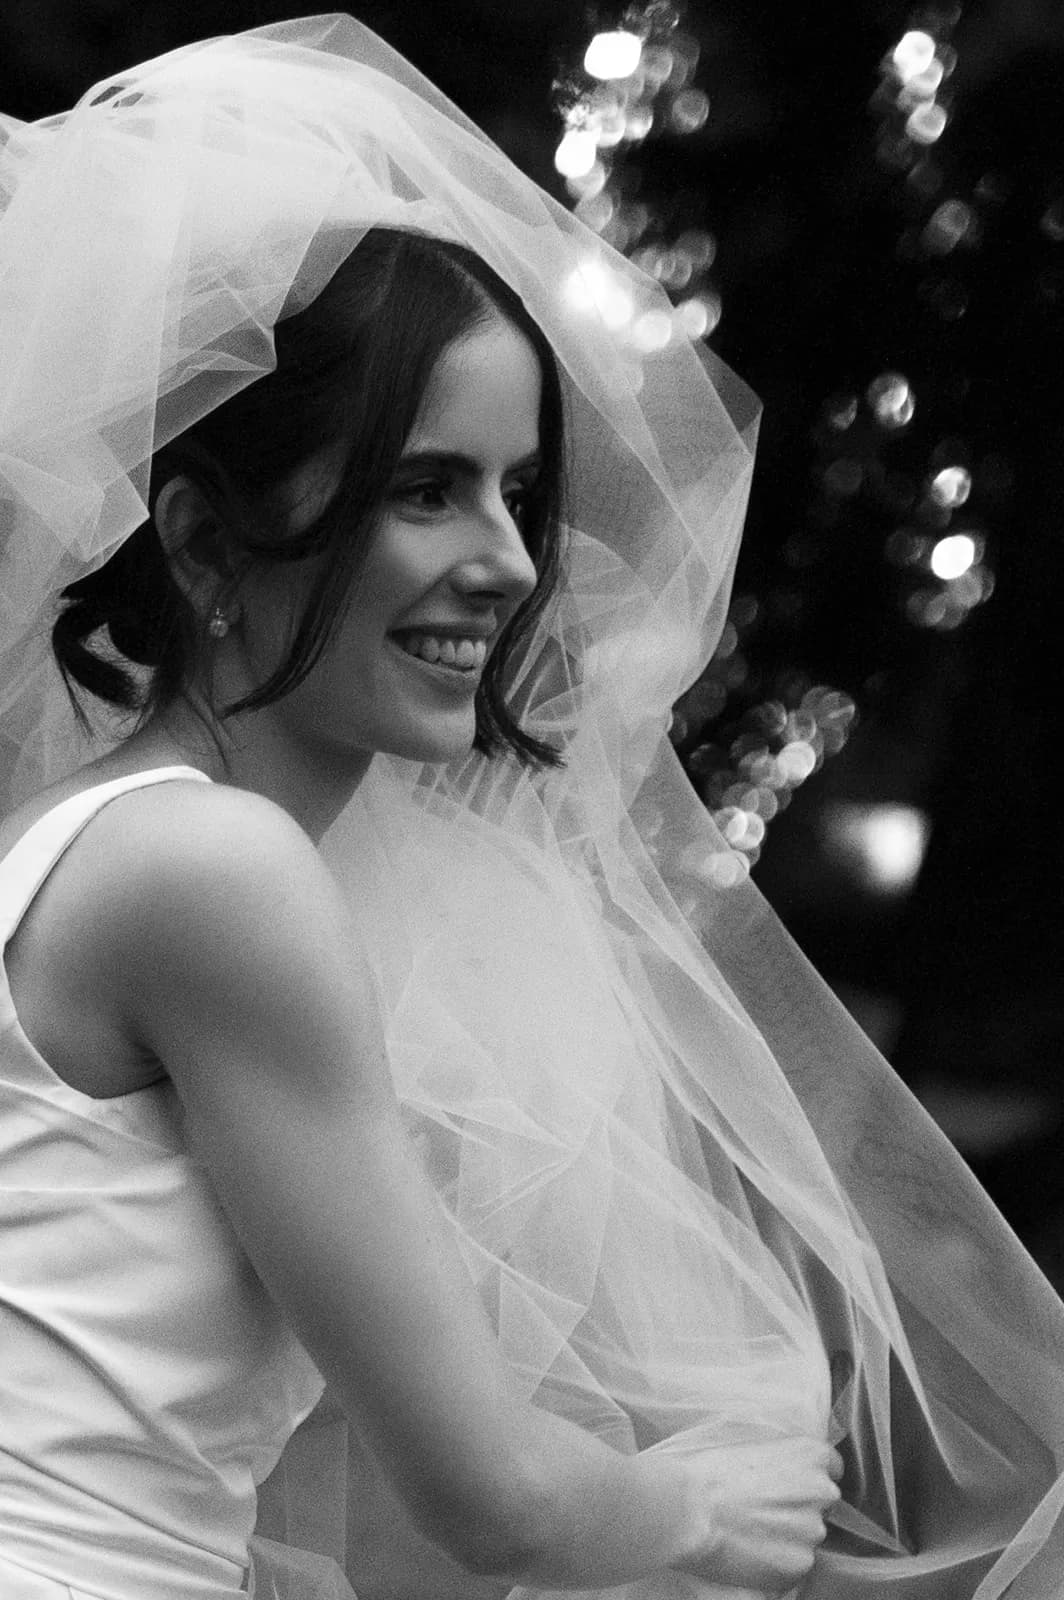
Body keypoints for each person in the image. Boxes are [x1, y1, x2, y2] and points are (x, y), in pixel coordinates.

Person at [0, 16, 1061, 1600]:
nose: (505, 559)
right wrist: (710, 1516)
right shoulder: (209, 871)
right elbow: (494, 1498)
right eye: (424, 488)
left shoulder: (138, 843)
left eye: (520, 492)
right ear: (207, 542)